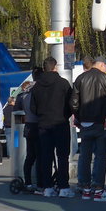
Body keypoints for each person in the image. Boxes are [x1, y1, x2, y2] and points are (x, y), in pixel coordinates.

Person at [72, 56, 106, 202]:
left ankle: (85, 189)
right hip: (100, 123)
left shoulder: (81, 78)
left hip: (85, 123)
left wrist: (79, 117)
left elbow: (74, 102)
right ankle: (98, 190)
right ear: (102, 65)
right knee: (100, 157)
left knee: (84, 156)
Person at [31, 57, 75, 198]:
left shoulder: (36, 86)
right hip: (60, 123)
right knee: (63, 156)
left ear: (44, 68)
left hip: (43, 124)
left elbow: (33, 108)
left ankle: (47, 187)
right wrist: (66, 115)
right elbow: (71, 103)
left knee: (46, 156)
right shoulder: (63, 83)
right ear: (55, 67)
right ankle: (63, 187)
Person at [17, 73, 40, 190]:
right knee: (40, 156)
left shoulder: (23, 96)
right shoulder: (36, 93)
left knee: (30, 156)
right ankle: (40, 182)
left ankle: (28, 181)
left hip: (28, 126)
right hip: (37, 126)